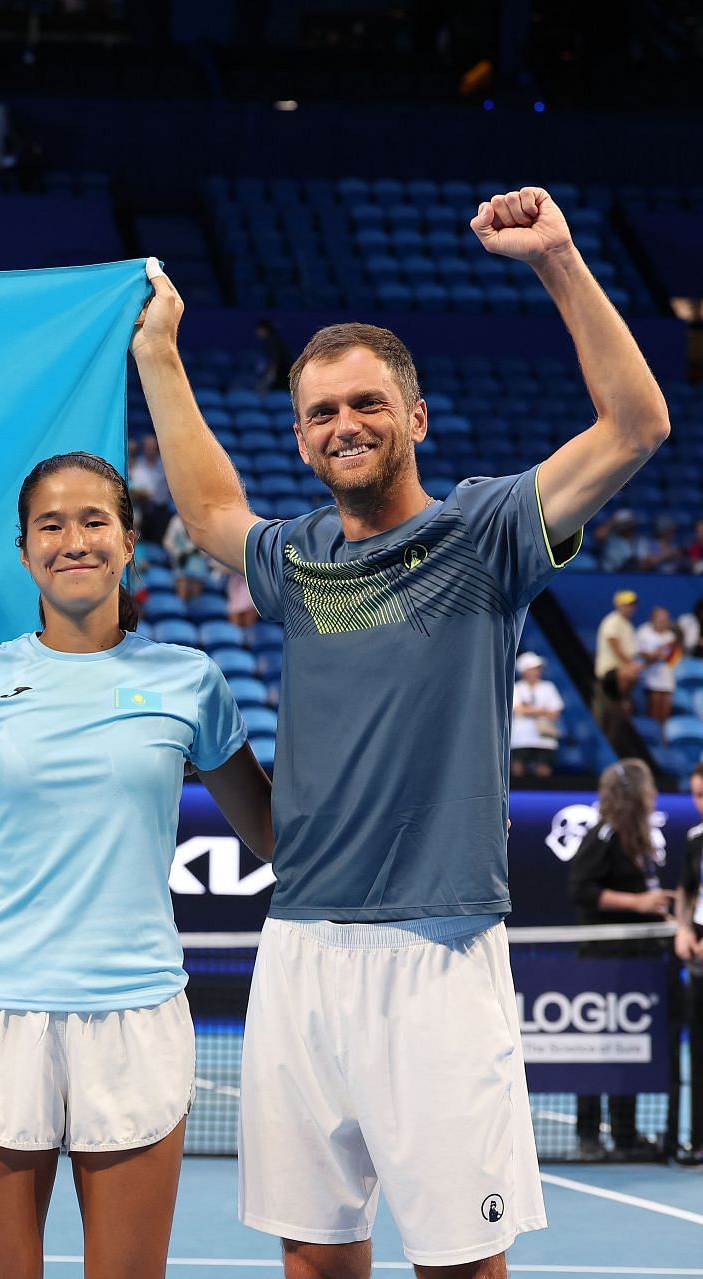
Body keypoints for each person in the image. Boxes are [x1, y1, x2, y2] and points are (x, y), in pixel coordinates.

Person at [135, 183, 671, 1275]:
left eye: (367, 404)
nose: (345, 425)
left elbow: (636, 427)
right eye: (322, 412)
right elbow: (209, 515)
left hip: (436, 949)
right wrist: (160, 357)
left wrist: (560, 260)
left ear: (415, 418)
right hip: (300, 946)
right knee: (317, 1257)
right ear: (301, 436)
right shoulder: (300, 562)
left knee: (457, 1263)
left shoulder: (486, 534)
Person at [0, 451, 273, 1278]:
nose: (75, 540)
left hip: (136, 1017)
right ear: (24, 550)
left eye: (96, 520)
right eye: (52, 525)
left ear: (130, 540)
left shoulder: (193, 682)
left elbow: (278, 835)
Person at [566, 759, 676, 1160]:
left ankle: (626, 1136)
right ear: (633, 795)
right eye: (648, 789)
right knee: (595, 1050)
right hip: (602, 961)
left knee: (628, 1048)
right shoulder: (604, 834)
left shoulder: (638, 839)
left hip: (636, 961)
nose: (655, 796)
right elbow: (581, 890)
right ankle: (589, 1135)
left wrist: (663, 910)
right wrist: (639, 902)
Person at [674, 763, 703, 1167]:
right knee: (697, 1054)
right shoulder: (695, 839)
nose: (701, 803)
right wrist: (683, 930)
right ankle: (698, 1140)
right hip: (698, 961)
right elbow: (686, 891)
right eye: (697, 795)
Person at [595, 589, 642, 741]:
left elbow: (631, 652)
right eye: (626, 604)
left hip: (618, 674)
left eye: (632, 605)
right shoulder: (612, 621)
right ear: (618, 605)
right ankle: (624, 699)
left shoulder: (628, 626)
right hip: (609, 673)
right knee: (631, 673)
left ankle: (624, 699)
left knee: (615, 724)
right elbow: (614, 644)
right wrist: (631, 664)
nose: (630, 608)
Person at [511, 652, 564, 779]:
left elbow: (555, 713)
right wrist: (543, 710)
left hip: (545, 739)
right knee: (518, 768)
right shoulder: (516, 688)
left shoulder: (548, 687)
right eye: (534, 668)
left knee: (544, 770)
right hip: (521, 739)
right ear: (524, 670)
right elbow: (518, 710)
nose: (538, 671)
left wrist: (528, 709)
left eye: (538, 668)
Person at [637, 605, 681, 724]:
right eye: (660, 619)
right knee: (654, 712)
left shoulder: (670, 636)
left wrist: (672, 651)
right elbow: (641, 655)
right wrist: (658, 653)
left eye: (666, 619)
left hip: (667, 678)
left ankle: (661, 739)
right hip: (650, 678)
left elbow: (673, 659)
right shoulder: (643, 632)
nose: (663, 622)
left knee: (665, 713)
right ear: (653, 619)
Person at [254, 319, 292, 394]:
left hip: (283, 376)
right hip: (284, 375)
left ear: (264, 329)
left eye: (259, 329)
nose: (257, 332)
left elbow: (274, 362)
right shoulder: (275, 340)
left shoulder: (271, 342)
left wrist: (266, 381)